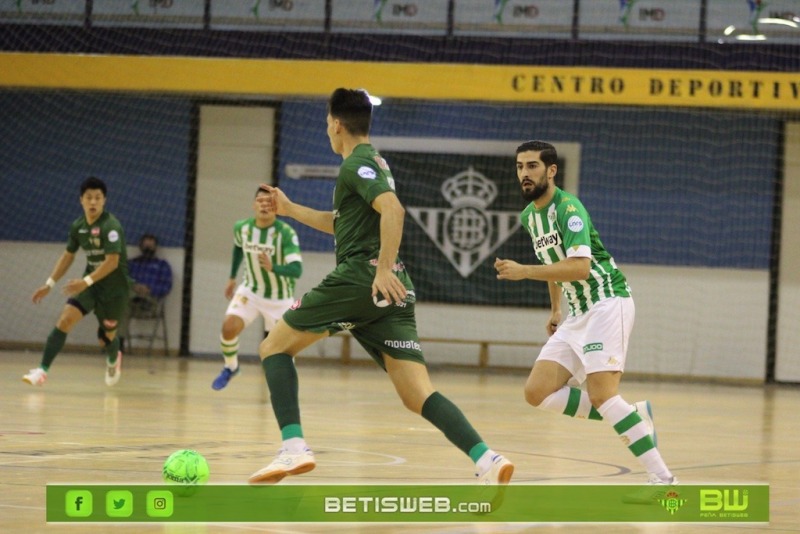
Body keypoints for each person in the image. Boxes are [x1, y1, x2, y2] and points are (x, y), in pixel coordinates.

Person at [248, 88, 514, 487]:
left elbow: (394, 209)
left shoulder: (356, 165)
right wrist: (290, 209)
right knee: (417, 394)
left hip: (361, 278)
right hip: (390, 292)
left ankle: (294, 447)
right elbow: (343, 223)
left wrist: (381, 268)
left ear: (337, 125)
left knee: (273, 347)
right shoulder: (374, 162)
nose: (327, 131)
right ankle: (488, 459)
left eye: (326, 124)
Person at [494, 140, 677, 495]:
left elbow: (579, 267)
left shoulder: (569, 208)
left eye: (532, 166)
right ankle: (633, 416)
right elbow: (554, 266)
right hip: (577, 313)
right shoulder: (529, 216)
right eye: (519, 166)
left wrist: (523, 272)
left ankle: (665, 481)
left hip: (607, 302)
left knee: (603, 396)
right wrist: (555, 309)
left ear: (551, 171)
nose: (524, 174)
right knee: (537, 392)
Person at [24, 176, 130, 387]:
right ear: (81, 200)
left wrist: (85, 281)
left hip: (114, 290)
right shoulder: (78, 226)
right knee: (65, 319)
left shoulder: (111, 226)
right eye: (89, 198)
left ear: (104, 201)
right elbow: (68, 256)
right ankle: (42, 370)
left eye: (97, 198)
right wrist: (49, 284)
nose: (93, 202)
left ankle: (113, 357)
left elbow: (112, 262)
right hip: (90, 285)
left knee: (106, 338)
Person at [211, 185, 303, 391]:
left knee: (283, 351)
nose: (264, 205)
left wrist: (274, 267)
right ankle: (231, 367)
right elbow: (237, 247)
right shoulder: (242, 228)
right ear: (254, 205)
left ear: (276, 206)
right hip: (250, 291)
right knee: (228, 327)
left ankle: (284, 388)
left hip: (280, 298)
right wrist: (231, 277)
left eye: (269, 201)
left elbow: (297, 270)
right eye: (260, 201)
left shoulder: (286, 233)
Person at [128, 233, 173, 301]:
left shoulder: (162, 265)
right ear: (141, 247)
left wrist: (149, 289)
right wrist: (134, 287)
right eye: (146, 247)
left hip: (151, 298)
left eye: (150, 247)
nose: (148, 250)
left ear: (155, 247)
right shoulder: (132, 264)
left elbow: (166, 286)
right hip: (131, 297)